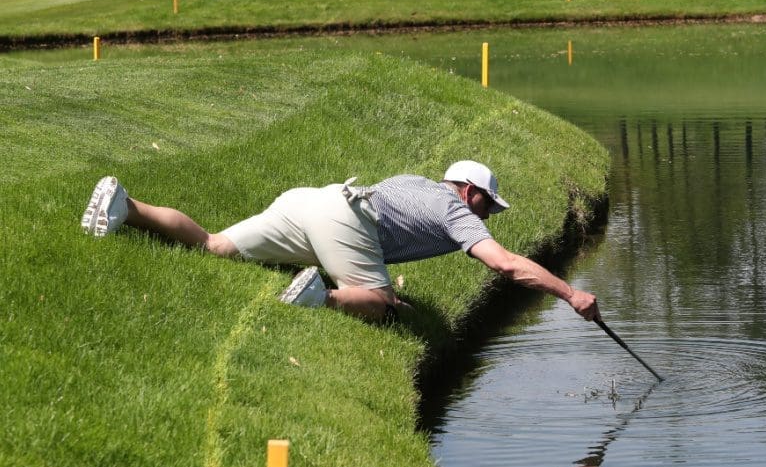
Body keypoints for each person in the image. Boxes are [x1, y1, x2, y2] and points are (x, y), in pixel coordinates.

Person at [80, 161, 600, 324]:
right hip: (344, 220)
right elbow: (506, 265)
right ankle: (318, 297)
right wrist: (572, 296)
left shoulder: (414, 181)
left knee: (214, 246)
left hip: (310, 200)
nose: (487, 214)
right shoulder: (455, 210)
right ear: (468, 192)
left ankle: (127, 206)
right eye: (487, 203)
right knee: (382, 304)